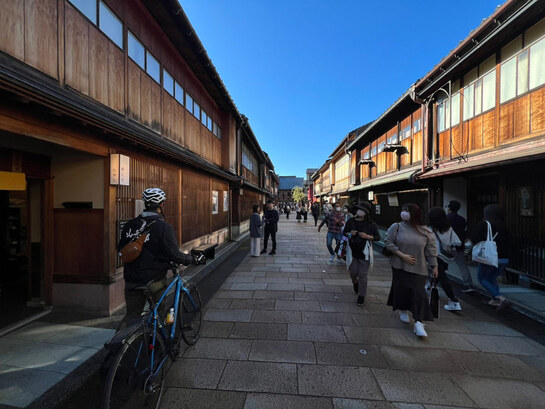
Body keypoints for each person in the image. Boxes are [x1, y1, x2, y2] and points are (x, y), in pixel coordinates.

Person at [116, 188, 196, 330]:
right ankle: (158, 345)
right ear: (161, 205)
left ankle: (116, 348)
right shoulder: (163, 227)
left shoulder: (130, 225)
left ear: (145, 204)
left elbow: (120, 249)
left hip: (131, 280)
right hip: (153, 281)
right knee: (158, 314)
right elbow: (174, 255)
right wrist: (191, 259)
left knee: (131, 316)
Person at [384, 203, 438, 338]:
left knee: (419, 293)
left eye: (407, 211)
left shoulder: (425, 231)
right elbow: (388, 242)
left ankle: (419, 322)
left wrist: (434, 265)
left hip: (419, 267)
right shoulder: (396, 227)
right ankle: (403, 309)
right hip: (399, 265)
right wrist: (402, 255)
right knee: (402, 288)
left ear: (415, 213)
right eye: (403, 210)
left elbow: (431, 250)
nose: (403, 213)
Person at [471, 204, 510, 311]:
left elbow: (474, 238)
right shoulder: (503, 226)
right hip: (504, 258)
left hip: (490, 257)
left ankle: (499, 297)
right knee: (492, 278)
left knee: (482, 278)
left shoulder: (484, 224)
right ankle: (495, 300)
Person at [427, 207, 463, 312]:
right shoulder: (449, 228)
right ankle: (429, 286)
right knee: (439, 274)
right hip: (445, 257)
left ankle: (454, 301)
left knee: (443, 278)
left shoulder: (430, 229)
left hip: (434, 256)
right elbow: (457, 242)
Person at [345, 203, 380, 306]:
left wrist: (368, 237)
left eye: (362, 210)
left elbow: (377, 237)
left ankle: (361, 296)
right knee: (353, 272)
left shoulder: (371, 224)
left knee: (363, 275)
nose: (360, 211)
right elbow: (344, 233)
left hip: (364, 252)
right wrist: (350, 233)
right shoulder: (351, 221)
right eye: (359, 209)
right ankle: (355, 282)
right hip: (352, 251)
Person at [446, 200, 473, 292]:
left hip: (448, 245)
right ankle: (468, 284)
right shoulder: (462, 219)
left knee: (440, 262)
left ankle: (436, 281)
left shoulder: (446, 219)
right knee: (462, 265)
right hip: (459, 245)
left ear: (449, 208)